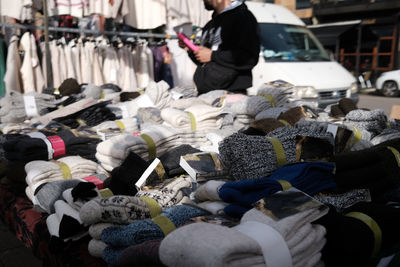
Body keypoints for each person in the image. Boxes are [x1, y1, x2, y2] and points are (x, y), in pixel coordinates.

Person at [179, 0, 260, 95]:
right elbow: (205, 62)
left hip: (230, 95)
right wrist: (190, 49)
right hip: (206, 94)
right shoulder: (210, 24)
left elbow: (249, 58)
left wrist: (212, 55)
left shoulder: (243, 17)